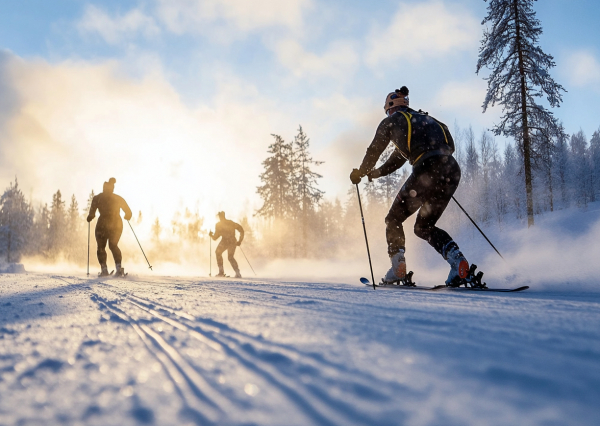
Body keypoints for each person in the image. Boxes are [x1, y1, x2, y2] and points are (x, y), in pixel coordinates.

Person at [350, 86, 469, 286]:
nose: (387, 114)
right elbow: (400, 157)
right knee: (424, 227)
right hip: (451, 170)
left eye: (387, 111)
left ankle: (398, 267)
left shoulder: (392, 121)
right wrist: (377, 172)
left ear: (390, 107)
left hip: (426, 170)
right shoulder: (428, 120)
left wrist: (360, 172)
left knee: (393, 219)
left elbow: (375, 149)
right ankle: (458, 263)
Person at [87, 178, 132, 277]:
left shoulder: (97, 198)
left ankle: (104, 269)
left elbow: (92, 212)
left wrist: (90, 217)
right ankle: (118, 268)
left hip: (102, 225)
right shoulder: (117, 198)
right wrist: (127, 215)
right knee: (113, 245)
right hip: (116, 223)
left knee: (101, 247)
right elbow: (128, 210)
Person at [209, 211, 244, 278]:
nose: (220, 217)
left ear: (220, 216)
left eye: (220, 216)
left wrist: (211, 235)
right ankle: (237, 273)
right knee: (229, 257)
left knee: (219, 253)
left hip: (226, 241)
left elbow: (215, 237)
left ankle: (221, 272)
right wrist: (239, 240)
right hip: (232, 241)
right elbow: (241, 230)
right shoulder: (230, 223)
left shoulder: (218, 225)